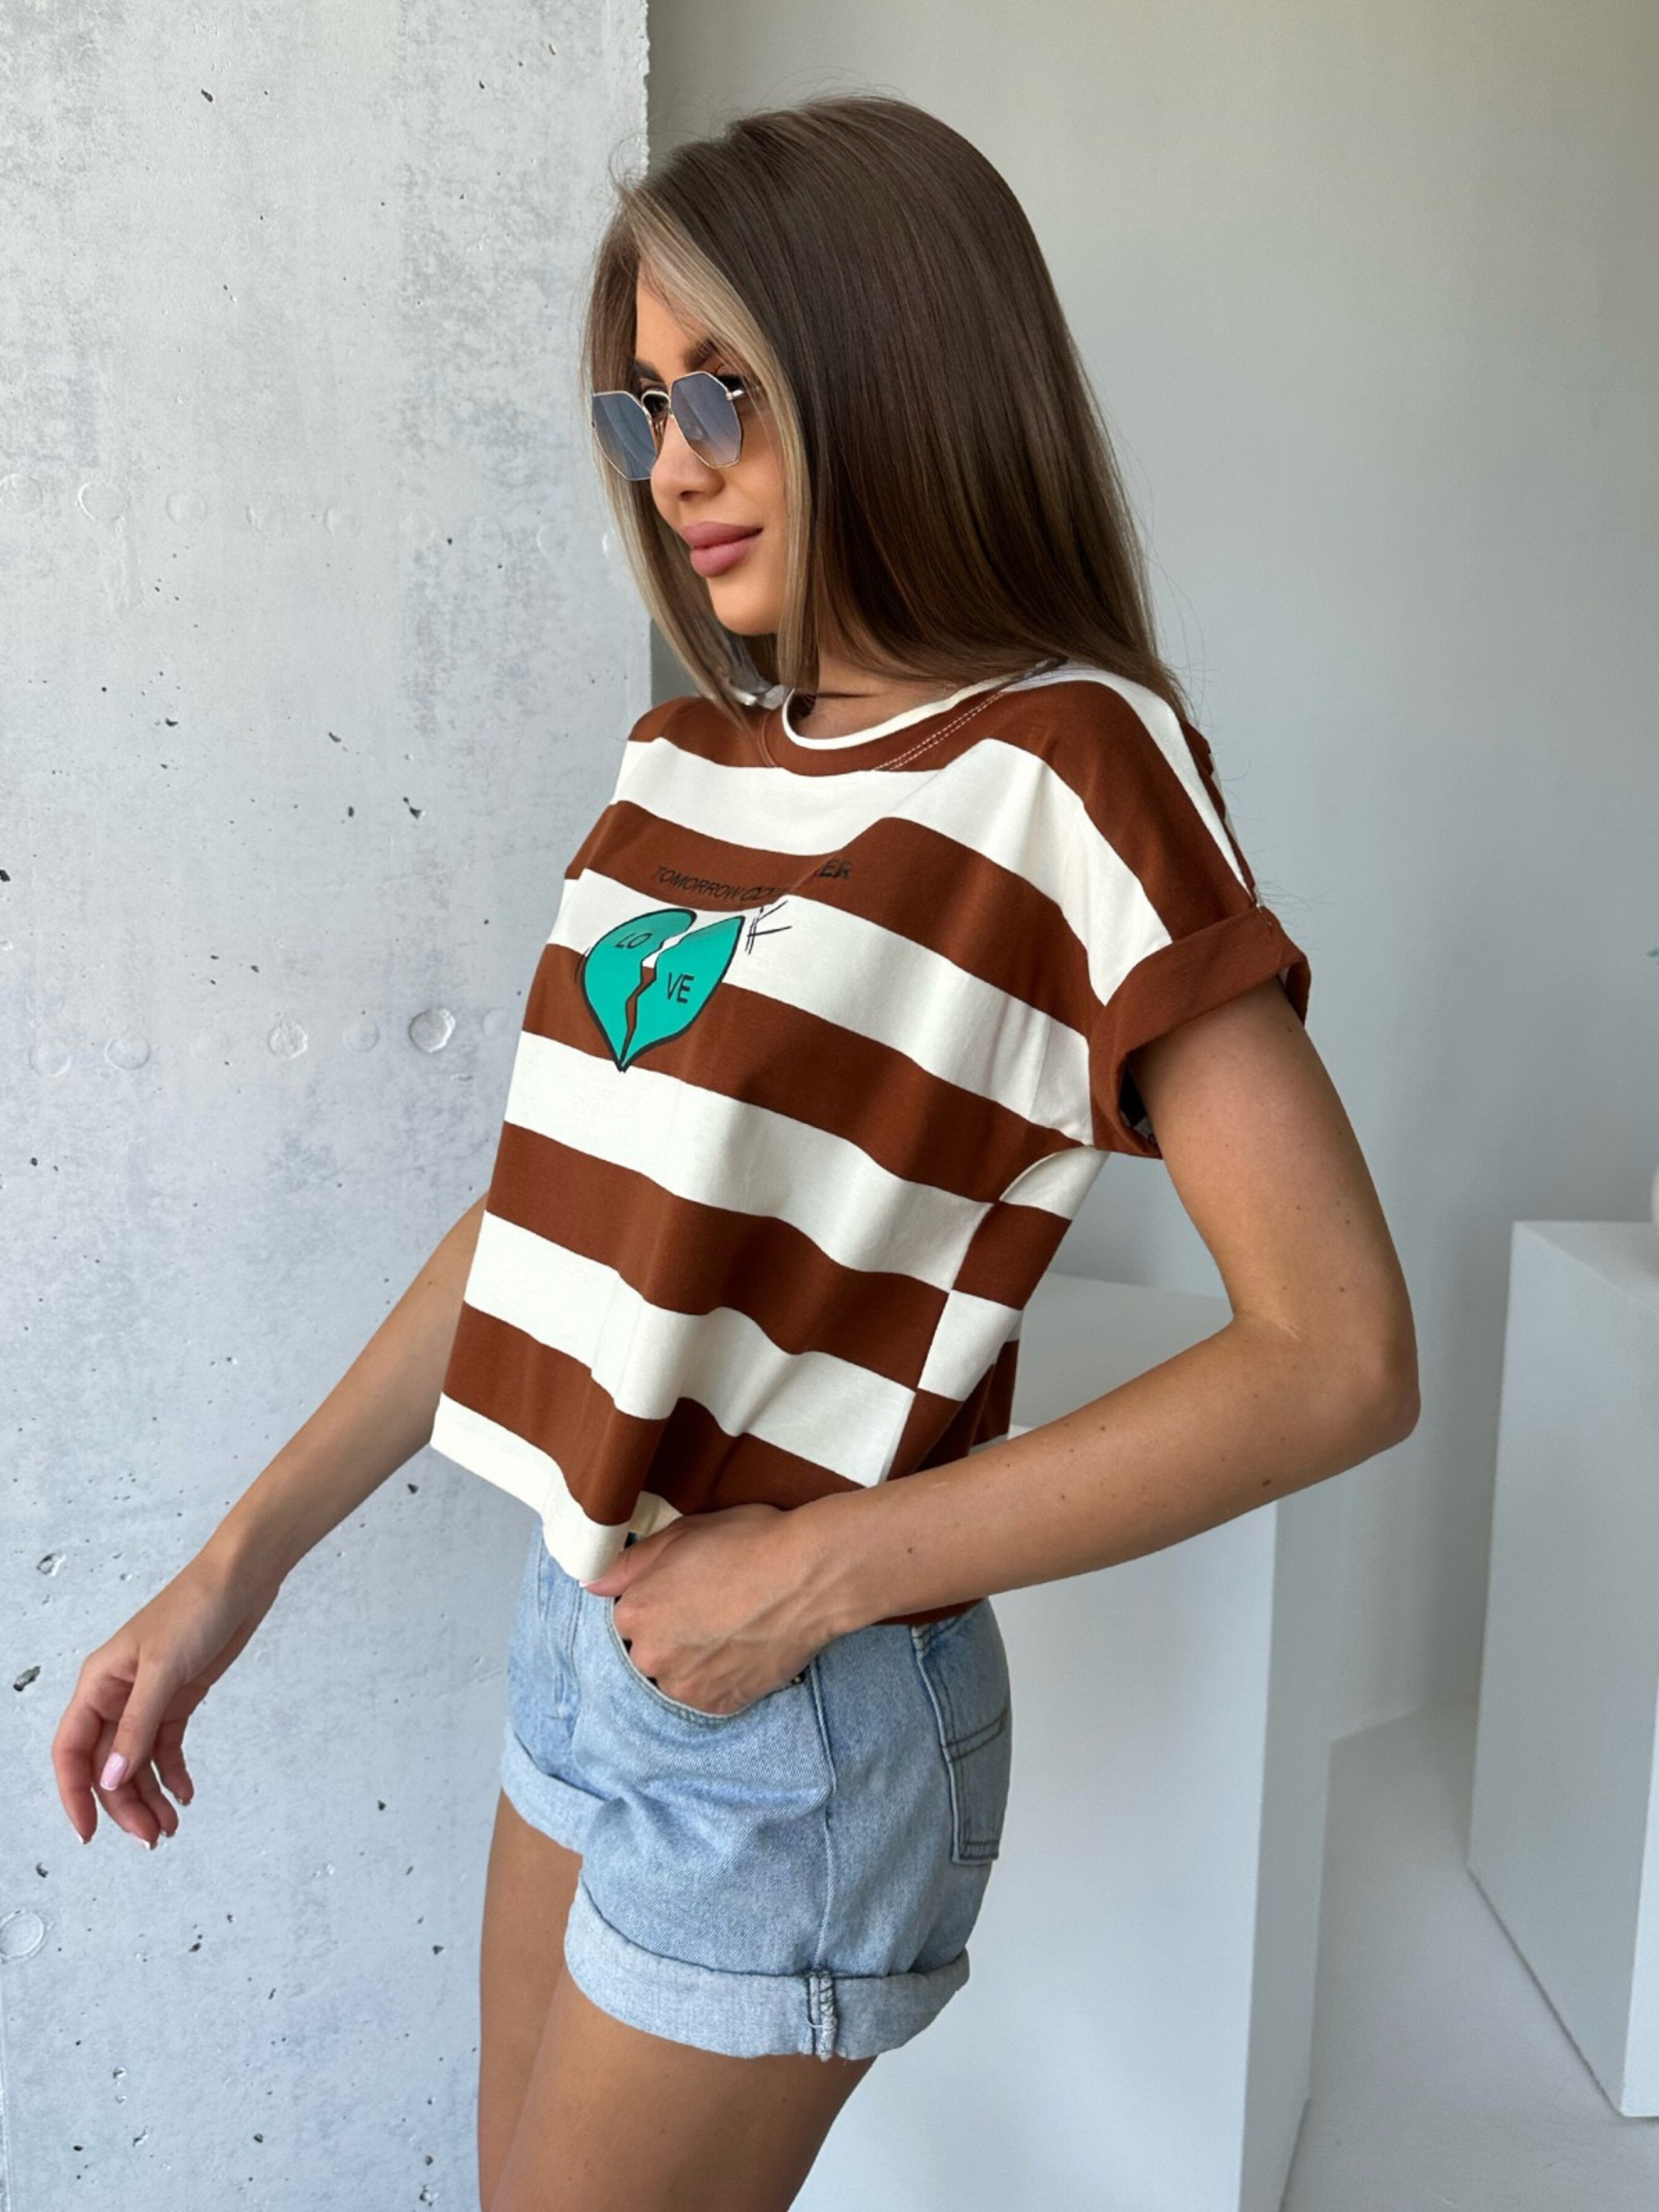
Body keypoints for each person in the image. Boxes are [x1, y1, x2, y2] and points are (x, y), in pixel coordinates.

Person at [52, 91, 1418, 2212]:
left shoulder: (1066, 770)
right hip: (576, 1633)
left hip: (799, 1705)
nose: (670, 464)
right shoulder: (682, 762)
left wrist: (809, 1573)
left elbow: (1335, 1354)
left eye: (726, 393)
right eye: (641, 406)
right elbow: (548, 1230)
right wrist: (238, 1567)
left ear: (898, 366)